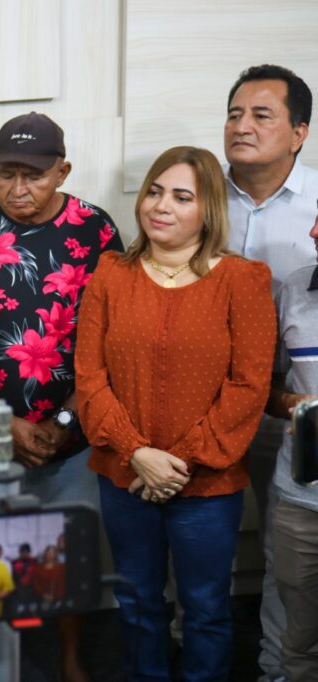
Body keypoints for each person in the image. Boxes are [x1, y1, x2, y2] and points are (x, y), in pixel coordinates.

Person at [76, 145, 276, 681]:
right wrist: (138, 453)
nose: (161, 205)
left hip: (206, 483)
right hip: (125, 474)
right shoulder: (111, 273)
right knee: (137, 603)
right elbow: (89, 376)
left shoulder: (243, 280)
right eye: (155, 192)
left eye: (182, 197)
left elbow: (249, 386)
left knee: (206, 609)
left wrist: (176, 463)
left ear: (209, 210)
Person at [0, 111, 121, 682]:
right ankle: (2, 660)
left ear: (62, 172)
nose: (18, 188)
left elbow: (109, 338)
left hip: (72, 437)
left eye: (34, 175)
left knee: (67, 553)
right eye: (6, 174)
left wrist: (65, 419)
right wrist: (5, 423)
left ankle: (70, 657)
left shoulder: (96, 230)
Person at [224, 64, 316, 681]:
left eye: (261, 115)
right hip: (215, 408)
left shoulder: (317, 206)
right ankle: (194, 648)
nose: (242, 126)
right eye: (234, 114)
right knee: (200, 538)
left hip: (296, 414)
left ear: (299, 132)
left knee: (290, 553)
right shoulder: (196, 194)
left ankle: (282, 667)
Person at [263, 200, 318, 680]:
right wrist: (291, 404)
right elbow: (265, 388)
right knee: (299, 642)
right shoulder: (294, 288)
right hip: (300, 502)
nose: (314, 231)